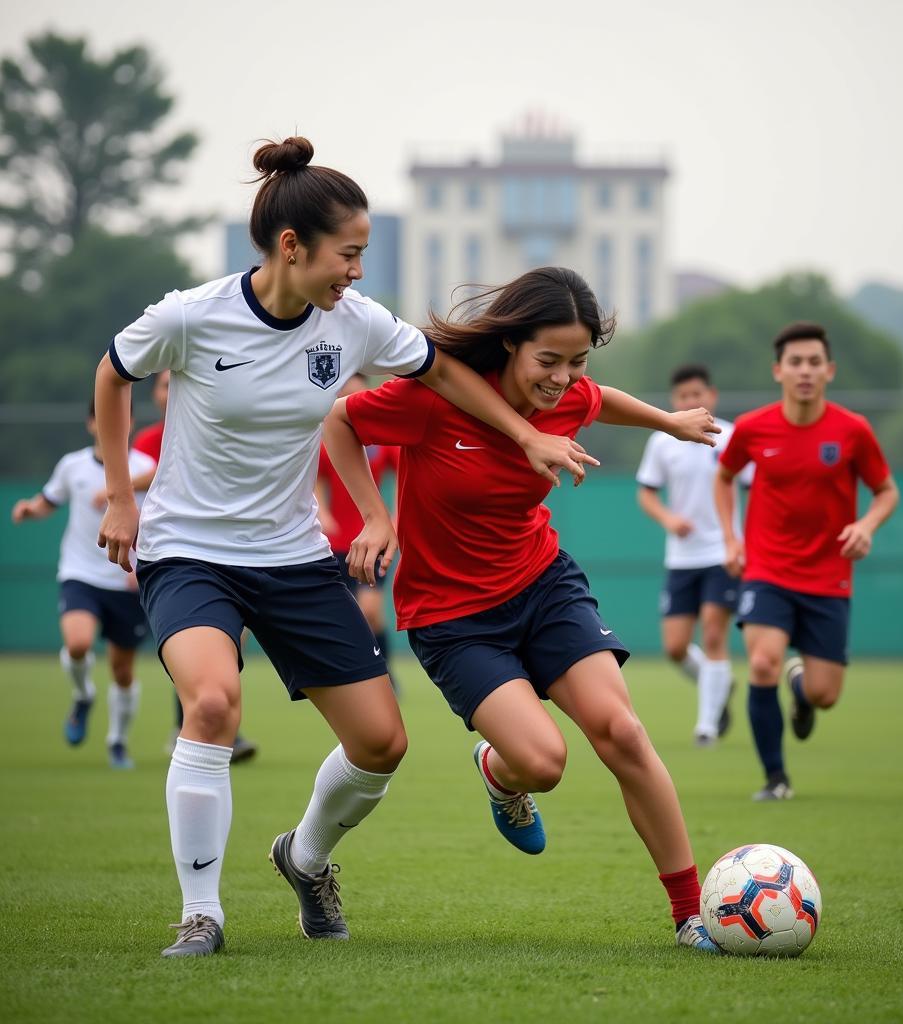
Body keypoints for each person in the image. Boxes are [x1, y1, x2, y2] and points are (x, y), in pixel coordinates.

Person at [93, 137, 595, 959]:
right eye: (348, 255)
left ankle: (305, 858)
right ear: (292, 248)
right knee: (213, 702)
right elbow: (113, 375)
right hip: (188, 552)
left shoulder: (355, 326)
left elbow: (443, 375)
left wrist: (523, 435)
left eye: (362, 255)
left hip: (292, 557)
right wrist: (121, 497)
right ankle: (201, 913)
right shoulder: (190, 315)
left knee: (380, 742)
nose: (356, 272)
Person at [334, 266, 725, 953]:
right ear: (510, 344)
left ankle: (690, 915)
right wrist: (374, 517)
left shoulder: (570, 394)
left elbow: (600, 399)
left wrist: (669, 421)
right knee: (543, 762)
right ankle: (499, 771)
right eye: (548, 359)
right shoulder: (432, 398)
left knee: (623, 734)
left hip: (543, 586)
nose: (563, 377)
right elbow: (340, 423)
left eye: (576, 360)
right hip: (452, 618)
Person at [713, 321, 899, 801]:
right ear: (779, 370)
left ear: (829, 370)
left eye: (814, 362)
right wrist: (731, 539)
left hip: (828, 575)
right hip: (767, 571)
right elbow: (724, 477)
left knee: (825, 695)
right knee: (761, 663)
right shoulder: (753, 428)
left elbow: (886, 492)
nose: (805, 371)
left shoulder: (853, 430)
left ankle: (801, 687)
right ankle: (776, 779)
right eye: (795, 362)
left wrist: (865, 527)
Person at [11, 401, 154, 769]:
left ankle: (118, 742)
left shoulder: (144, 469)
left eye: (123, 418)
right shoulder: (72, 466)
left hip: (125, 580)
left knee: (123, 671)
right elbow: (48, 501)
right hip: (80, 574)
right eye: (107, 416)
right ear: (93, 423)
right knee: (78, 644)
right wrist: (30, 509)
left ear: (131, 423)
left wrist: (141, 564)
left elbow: (157, 519)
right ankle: (83, 694)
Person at [132, 370, 259, 764]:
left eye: (178, 383)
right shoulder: (149, 441)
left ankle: (213, 726)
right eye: (165, 385)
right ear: (155, 394)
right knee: (196, 641)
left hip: (231, 552)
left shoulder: (221, 424)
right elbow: (146, 484)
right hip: (173, 559)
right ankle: (192, 726)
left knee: (228, 642)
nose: (172, 391)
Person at [636, 364, 751, 745]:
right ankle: (719, 684)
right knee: (675, 647)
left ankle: (706, 728)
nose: (692, 401)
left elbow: (758, 488)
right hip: (681, 558)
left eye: (698, 394)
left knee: (715, 635)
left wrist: (742, 539)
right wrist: (670, 520)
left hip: (722, 553)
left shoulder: (734, 437)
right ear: (675, 401)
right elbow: (646, 493)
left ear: (712, 396)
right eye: (684, 396)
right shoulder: (662, 441)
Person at [314, 372, 401, 691]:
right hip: (335, 542)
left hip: (373, 538)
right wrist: (322, 512)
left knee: (371, 612)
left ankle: (384, 671)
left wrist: (392, 517)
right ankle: (359, 679)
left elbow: (405, 473)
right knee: (346, 616)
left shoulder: (380, 440)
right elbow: (317, 480)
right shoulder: (325, 436)